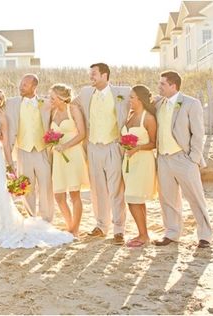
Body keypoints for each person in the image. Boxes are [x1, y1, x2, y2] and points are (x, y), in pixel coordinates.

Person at [0, 88, 73, 248]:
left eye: (0, 98)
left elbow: (5, 143)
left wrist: (10, 164)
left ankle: (2, 226)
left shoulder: (1, 117)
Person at [71, 63, 130, 245]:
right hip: (93, 147)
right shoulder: (86, 93)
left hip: (113, 145)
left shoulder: (124, 92)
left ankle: (119, 229)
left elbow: (145, 99)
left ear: (105, 75)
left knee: (116, 190)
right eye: (91, 74)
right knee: (97, 190)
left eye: (94, 74)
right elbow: (72, 104)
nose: (91, 78)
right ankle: (101, 226)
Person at [153, 71, 212, 248]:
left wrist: (193, 158)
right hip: (163, 159)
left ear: (173, 86)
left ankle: (205, 235)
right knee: (168, 199)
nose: (159, 86)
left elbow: (198, 133)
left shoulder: (191, 103)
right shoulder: (158, 103)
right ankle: (172, 232)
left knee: (195, 197)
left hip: (183, 158)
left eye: (162, 84)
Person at [6, 74, 54, 222]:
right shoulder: (11, 103)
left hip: (42, 151)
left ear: (34, 87)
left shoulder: (46, 103)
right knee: (26, 186)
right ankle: (32, 217)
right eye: (21, 83)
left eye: (25, 84)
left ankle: (46, 219)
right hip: (23, 150)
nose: (21, 86)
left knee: (46, 186)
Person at [48, 84, 89, 238]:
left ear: (61, 98)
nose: (50, 100)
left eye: (52, 97)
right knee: (58, 195)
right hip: (58, 157)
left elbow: (82, 133)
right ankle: (69, 224)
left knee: (74, 194)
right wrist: (51, 141)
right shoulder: (53, 112)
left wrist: (65, 146)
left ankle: (75, 229)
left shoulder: (73, 110)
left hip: (73, 155)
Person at [120, 85, 157, 248]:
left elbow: (154, 143)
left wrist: (137, 148)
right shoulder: (130, 115)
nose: (129, 100)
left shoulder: (148, 118)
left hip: (142, 161)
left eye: (132, 97)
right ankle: (143, 234)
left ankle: (143, 235)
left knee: (133, 198)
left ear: (140, 99)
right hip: (128, 161)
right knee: (137, 199)